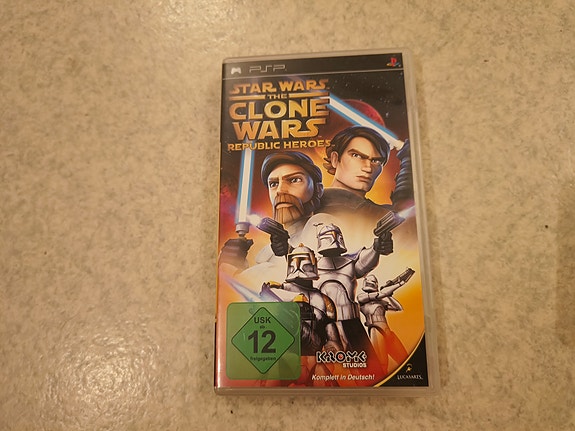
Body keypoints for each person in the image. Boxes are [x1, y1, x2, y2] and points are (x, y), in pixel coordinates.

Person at [318, 126, 413, 222]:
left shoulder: (383, 213)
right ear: (335, 159)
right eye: (356, 156)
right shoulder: (312, 207)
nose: (368, 168)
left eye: (376, 161)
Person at [357, 271, 412, 374]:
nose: (371, 283)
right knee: (382, 364)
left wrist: (389, 296)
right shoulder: (361, 297)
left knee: (404, 360)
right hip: (376, 330)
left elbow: (398, 307)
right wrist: (400, 284)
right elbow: (381, 294)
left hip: (388, 332)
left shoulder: (381, 301)